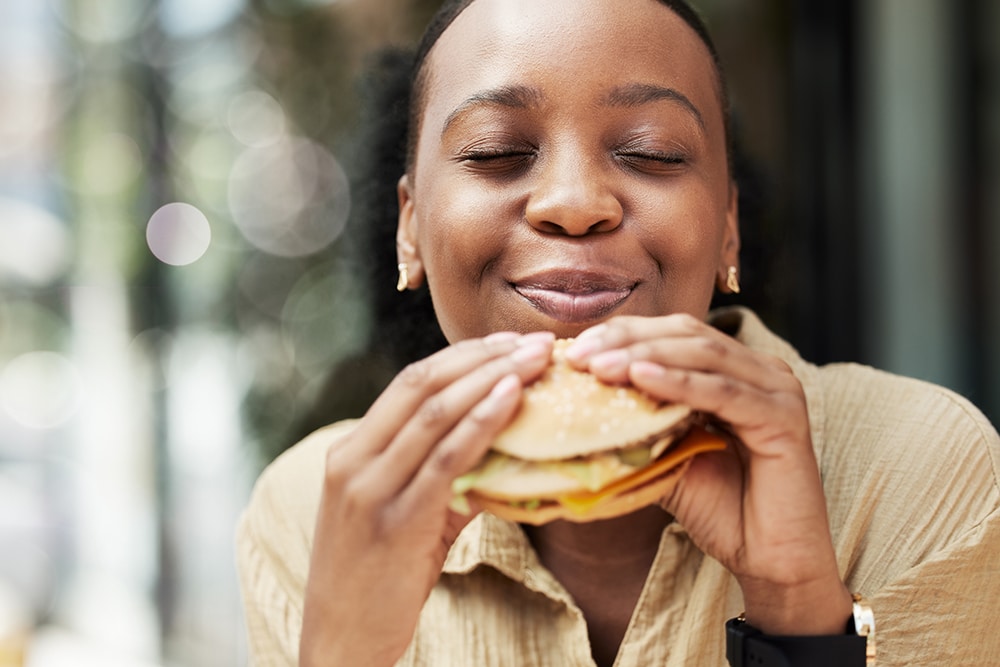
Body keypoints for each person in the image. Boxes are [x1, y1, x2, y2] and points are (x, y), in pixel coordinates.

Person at [236, 1, 1000, 665]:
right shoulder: (309, 510)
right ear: (409, 229)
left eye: (651, 153)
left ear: (728, 227)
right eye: (497, 152)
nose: (574, 203)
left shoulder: (918, 465)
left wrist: (798, 608)